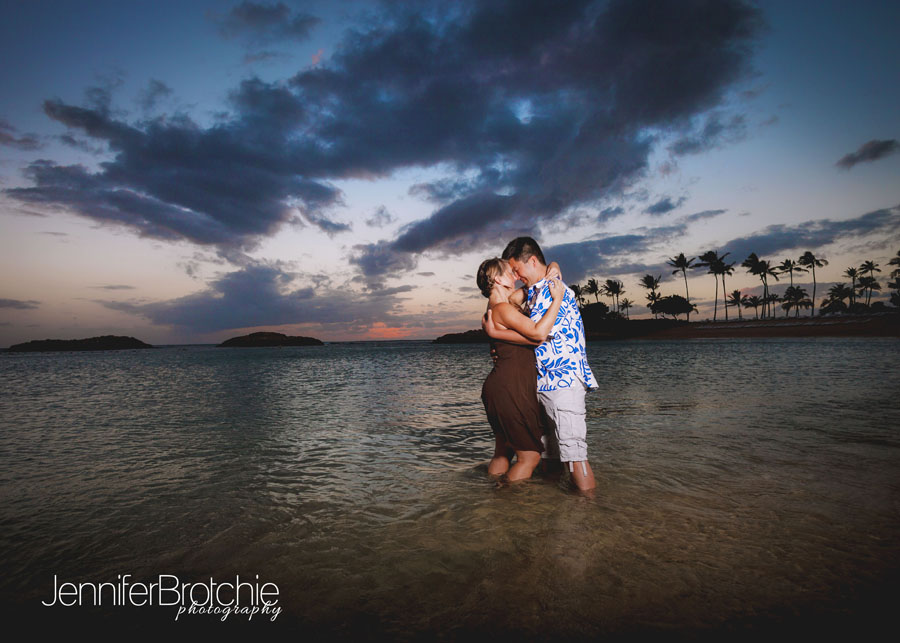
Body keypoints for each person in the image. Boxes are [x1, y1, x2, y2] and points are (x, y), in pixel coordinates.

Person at [483, 237, 598, 492]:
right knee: (549, 458)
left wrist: (497, 334)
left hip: (564, 383)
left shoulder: (554, 289)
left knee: (575, 455)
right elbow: (507, 302)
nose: (516, 275)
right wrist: (552, 266)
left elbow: (538, 335)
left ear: (532, 261)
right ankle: (541, 511)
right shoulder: (534, 291)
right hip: (540, 385)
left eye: (517, 269)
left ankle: (590, 515)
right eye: (511, 272)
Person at [476, 257, 565, 482]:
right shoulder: (503, 308)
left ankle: (491, 494)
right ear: (497, 278)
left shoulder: (495, 307)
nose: (515, 276)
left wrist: (553, 266)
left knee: (504, 450)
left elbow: (531, 286)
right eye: (509, 272)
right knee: (530, 457)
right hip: (510, 388)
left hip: (501, 387)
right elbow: (537, 334)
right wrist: (557, 300)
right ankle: (508, 503)